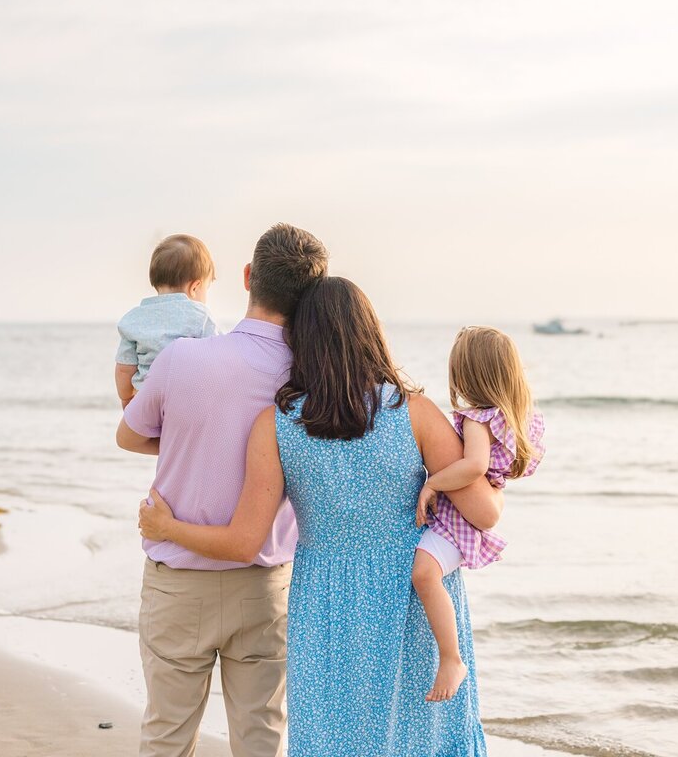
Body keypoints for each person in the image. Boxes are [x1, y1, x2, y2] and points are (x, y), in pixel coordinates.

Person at [139, 277, 500, 757]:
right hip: (410, 594)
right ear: (371, 332)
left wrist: (167, 528)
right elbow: (484, 515)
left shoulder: (277, 424)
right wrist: (496, 455)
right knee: (423, 738)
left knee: (333, 740)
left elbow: (244, 542)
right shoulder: (416, 413)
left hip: (325, 603)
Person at [116, 224, 328, 757]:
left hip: (179, 580)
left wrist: (189, 439)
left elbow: (129, 433)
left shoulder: (182, 357)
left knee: (167, 734)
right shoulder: (309, 375)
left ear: (248, 277)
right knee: (261, 737)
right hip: (265, 584)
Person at [412, 326, 546, 701]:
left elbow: (473, 466)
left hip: (458, 518)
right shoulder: (517, 416)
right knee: (425, 574)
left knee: (424, 574)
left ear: (467, 375)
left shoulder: (477, 419)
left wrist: (433, 483)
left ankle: (452, 658)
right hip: (476, 509)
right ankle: (450, 656)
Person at [114, 234, 219, 409]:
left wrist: (126, 399)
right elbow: (219, 357)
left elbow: (124, 367)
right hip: (184, 403)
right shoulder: (200, 315)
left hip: (145, 401)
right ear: (195, 287)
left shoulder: (134, 319)